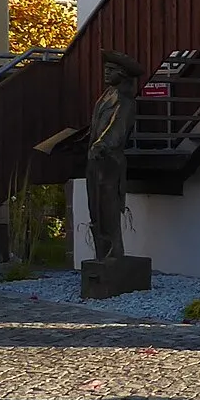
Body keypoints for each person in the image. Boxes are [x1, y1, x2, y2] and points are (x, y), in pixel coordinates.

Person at [85, 50, 142, 261]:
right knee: (95, 208)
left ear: (123, 74)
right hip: (96, 162)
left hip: (109, 162)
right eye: (106, 70)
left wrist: (101, 145)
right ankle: (102, 252)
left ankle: (113, 252)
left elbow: (116, 130)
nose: (106, 74)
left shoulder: (124, 101)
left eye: (111, 71)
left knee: (108, 208)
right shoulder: (107, 96)